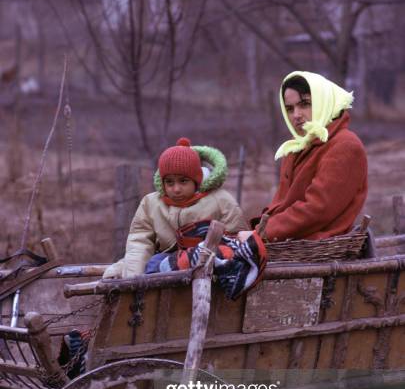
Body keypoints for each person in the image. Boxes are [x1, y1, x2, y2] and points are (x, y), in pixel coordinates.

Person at [238, 71, 368, 244]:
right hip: (288, 243)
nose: (296, 115)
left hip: (318, 250)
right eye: (290, 109)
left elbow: (317, 209)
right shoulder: (297, 146)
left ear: (323, 102)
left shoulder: (345, 146)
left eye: (305, 104)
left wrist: (263, 232)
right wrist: (256, 230)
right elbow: (282, 205)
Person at [103, 137, 248, 279]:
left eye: (183, 181)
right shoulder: (151, 203)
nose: (176, 189)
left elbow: (238, 239)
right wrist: (133, 279)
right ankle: (146, 300)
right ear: (162, 182)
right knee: (147, 265)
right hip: (163, 260)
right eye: (170, 182)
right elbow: (139, 243)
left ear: (196, 180)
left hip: (209, 261)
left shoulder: (221, 200)